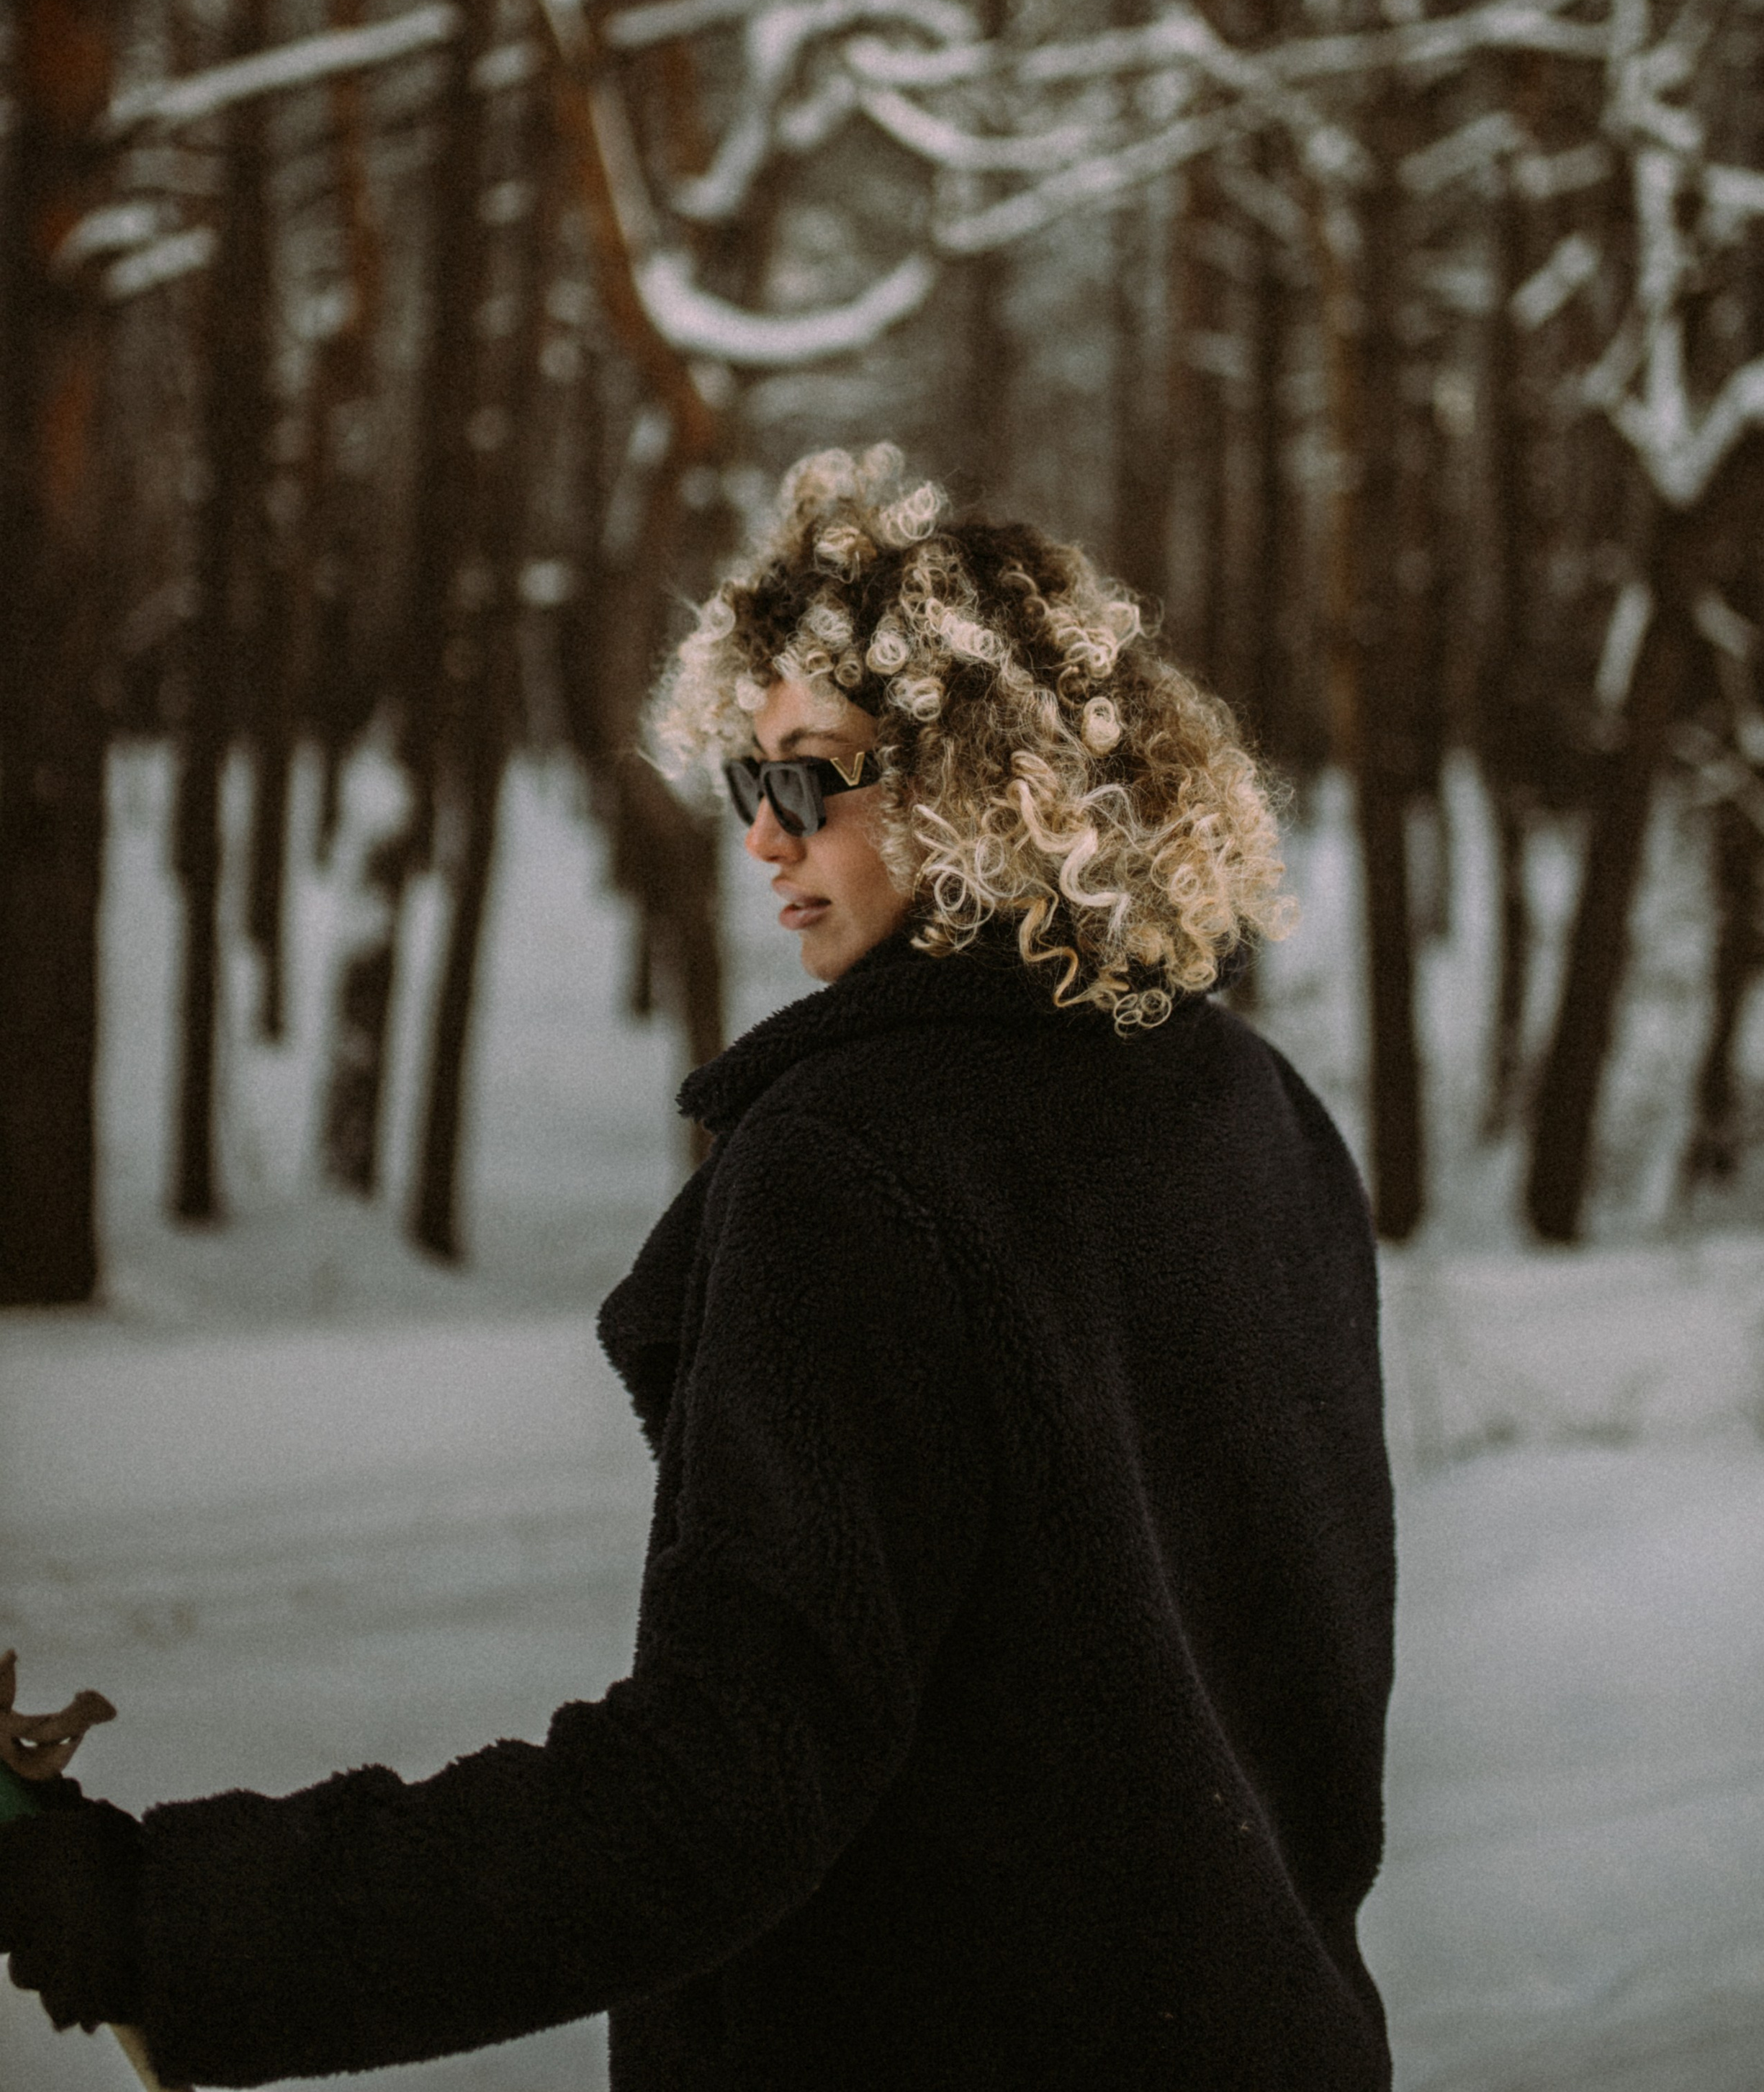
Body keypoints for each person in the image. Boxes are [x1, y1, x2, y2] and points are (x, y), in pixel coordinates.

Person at [0, 444, 1395, 2091]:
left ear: (982, 781)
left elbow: (719, 1789)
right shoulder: (1251, 1105)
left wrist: (151, 1918)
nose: (761, 840)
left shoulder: (859, 1162)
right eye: (748, 783)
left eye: (808, 780)